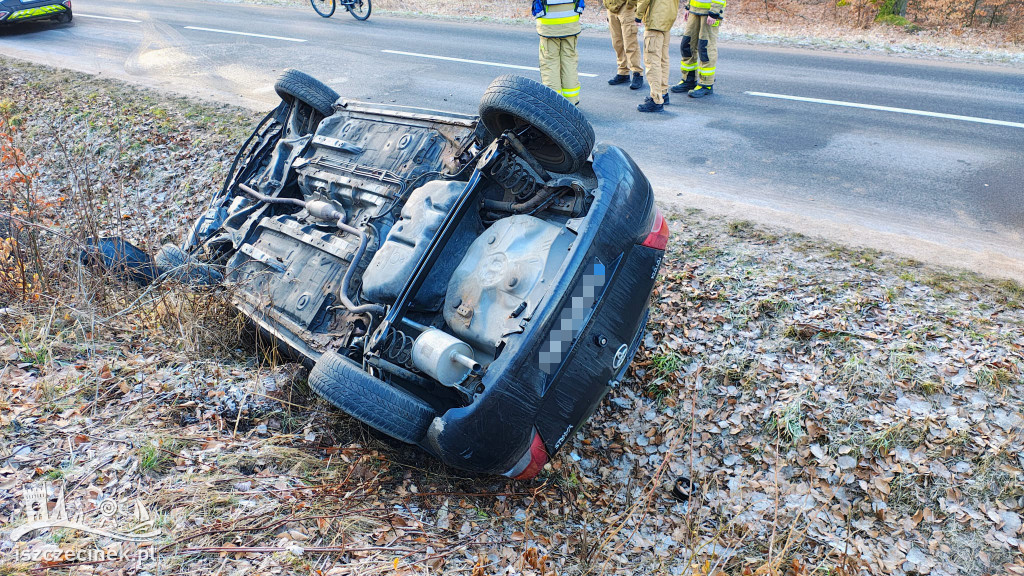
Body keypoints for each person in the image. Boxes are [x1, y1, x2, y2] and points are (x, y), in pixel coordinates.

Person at [534, 0, 586, 105]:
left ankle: (554, 104)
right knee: (569, 63)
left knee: (550, 64)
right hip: (570, 23)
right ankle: (571, 102)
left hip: (549, 25)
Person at [671, 0, 724, 98]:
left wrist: (714, 11)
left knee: (705, 48)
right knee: (687, 45)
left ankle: (706, 84)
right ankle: (689, 80)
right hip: (694, 10)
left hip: (710, 12)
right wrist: (688, 6)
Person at [635, 0, 678, 112]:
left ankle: (656, 100)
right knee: (663, 60)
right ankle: (663, 94)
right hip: (667, 18)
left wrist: (638, 15)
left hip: (655, 19)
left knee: (652, 62)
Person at [604, 0, 644, 91]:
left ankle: (637, 73)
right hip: (611, 7)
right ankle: (623, 72)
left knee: (630, 43)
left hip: (626, 8)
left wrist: (630, 3)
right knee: (617, 42)